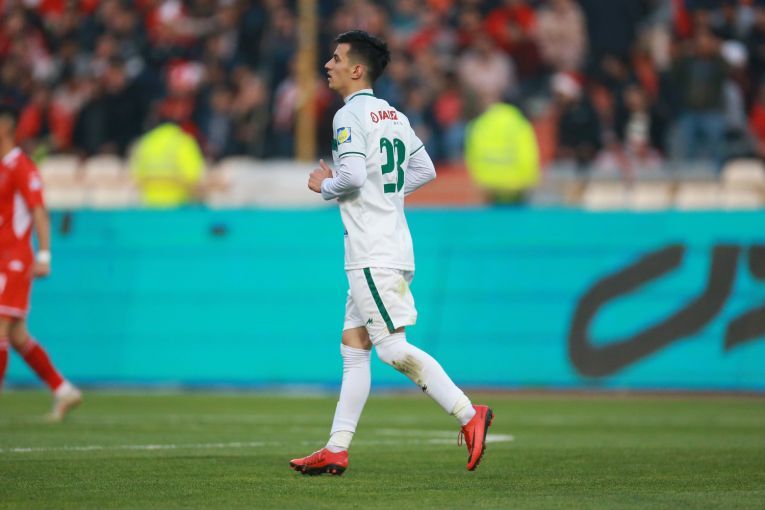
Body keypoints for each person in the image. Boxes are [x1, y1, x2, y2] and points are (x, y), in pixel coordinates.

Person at [289, 31, 494, 476]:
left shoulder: (348, 115)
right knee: (354, 347)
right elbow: (425, 169)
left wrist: (324, 185)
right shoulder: (394, 115)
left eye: (336, 58)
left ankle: (468, 413)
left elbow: (352, 177)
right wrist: (388, 193)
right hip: (389, 242)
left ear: (356, 69)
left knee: (390, 348)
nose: (328, 64)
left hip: (372, 250)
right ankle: (336, 448)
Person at [0, 105, 82, 421]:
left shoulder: (21, 166)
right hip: (2, 258)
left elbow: (39, 210)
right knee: (18, 335)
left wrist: (44, 255)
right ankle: (63, 389)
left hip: (14, 261)